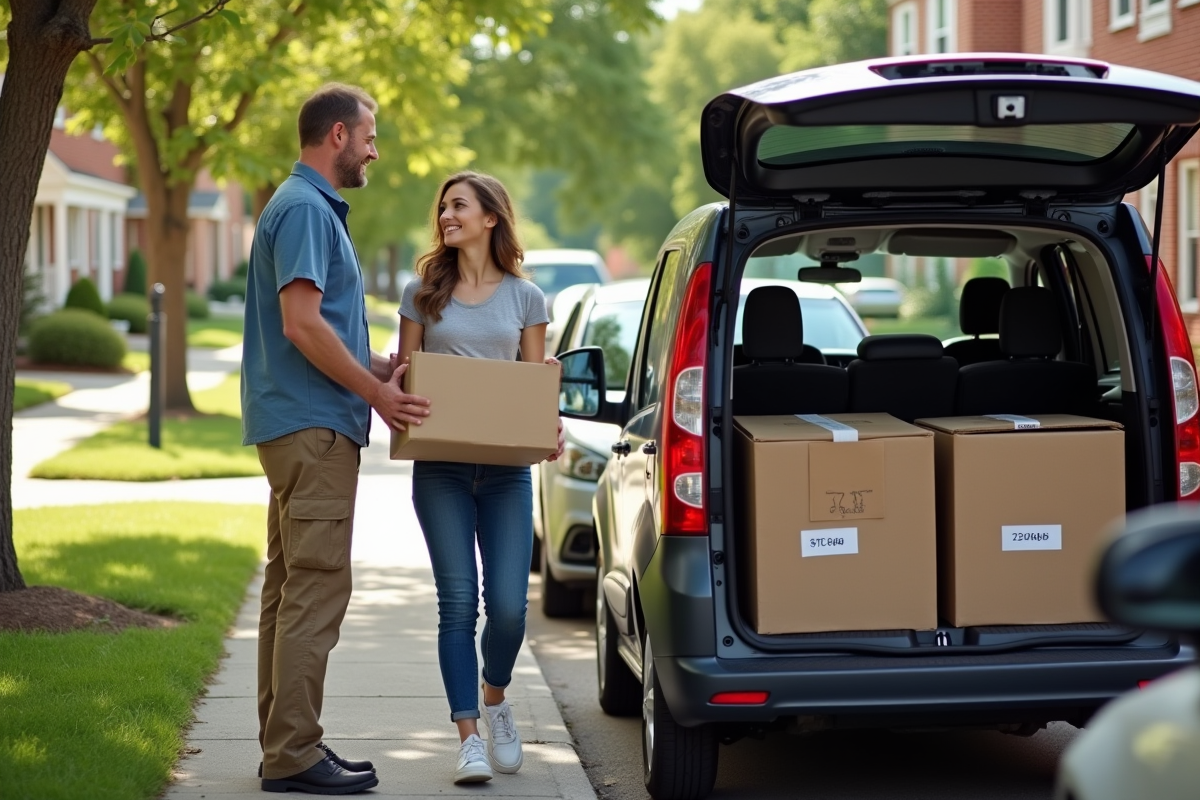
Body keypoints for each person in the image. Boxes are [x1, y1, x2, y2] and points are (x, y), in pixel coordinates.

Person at [241, 82, 431, 795]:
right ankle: (294, 753)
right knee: (315, 593)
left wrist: (382, 366)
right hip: (312, 428)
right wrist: (376, 392)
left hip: (300, 423)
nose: (375, 149)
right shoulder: (305, 211)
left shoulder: (302, 209)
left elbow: (326, 328)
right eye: (369, 135)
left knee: (291, 591)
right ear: (337, 136)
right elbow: (301, 324)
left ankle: (284, 745)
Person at [397, 171, 564, 785]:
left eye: (458, 206)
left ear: (491, 217)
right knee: (458, 602)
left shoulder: (526, 298)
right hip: (439, 468)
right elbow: (406, 378)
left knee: (511, 608)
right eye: (443, 207)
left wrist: (550, 421)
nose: (446, 215)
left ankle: (495, 698)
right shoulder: (422, 294)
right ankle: (468, 737)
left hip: (504, 474)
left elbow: (531, 386)